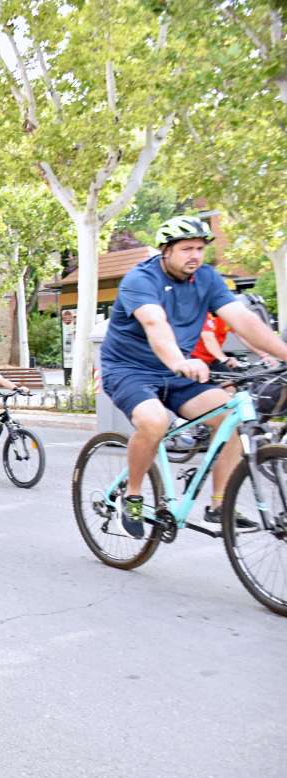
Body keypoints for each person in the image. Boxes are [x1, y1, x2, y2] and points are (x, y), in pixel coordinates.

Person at [100, 215, 287, 537]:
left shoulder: (208, 279)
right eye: (187, 248)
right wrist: (178, 360)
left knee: (231, 415)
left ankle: (219, 505)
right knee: (155, 421)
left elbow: (243, 320)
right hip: (129, 370)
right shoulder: (140, 280)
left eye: (200, 248)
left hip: (177, 372)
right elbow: (155, 325)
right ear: (166, 251)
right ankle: (132, 495)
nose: (195, 256)